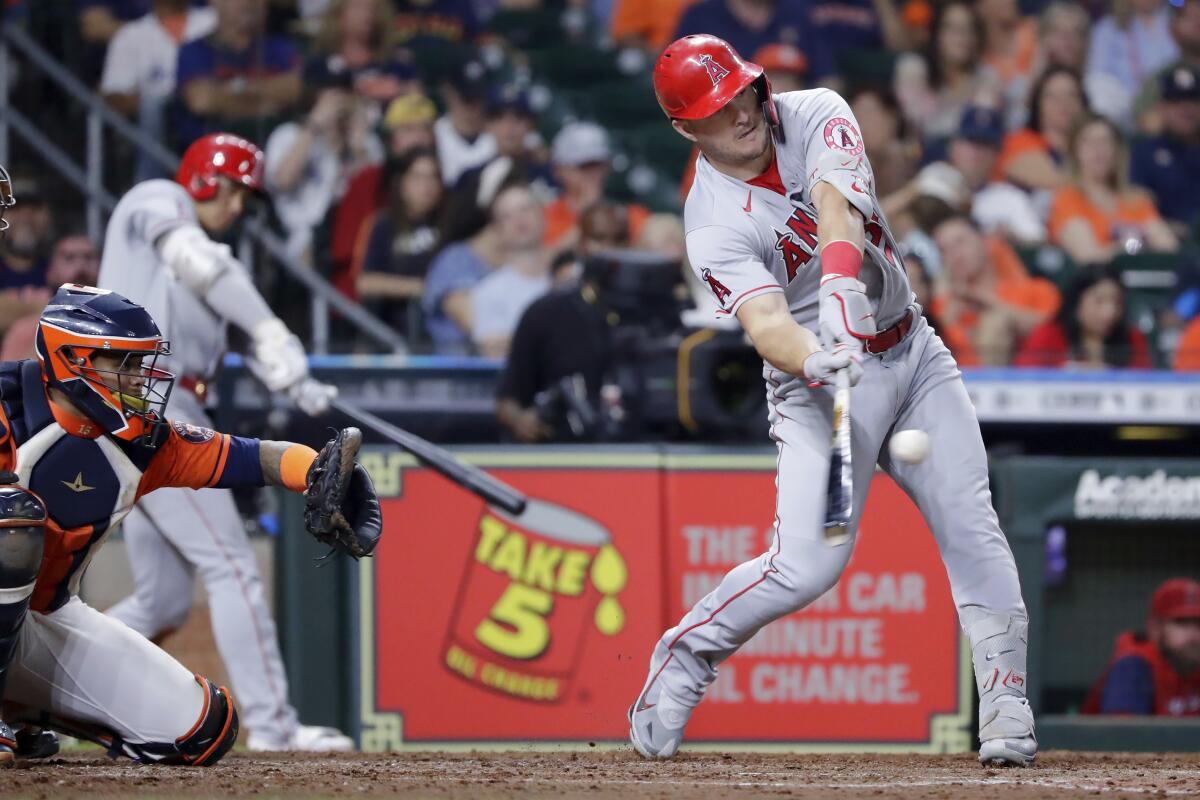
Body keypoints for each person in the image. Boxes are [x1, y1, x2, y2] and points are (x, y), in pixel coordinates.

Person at [630, 34, 1036, 766]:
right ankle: (686, 655)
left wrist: (844, 288)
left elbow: (836, 206)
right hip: (817, 387)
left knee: (973, 526)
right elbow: (765, 324)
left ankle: (1007, 706)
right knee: (807, 567)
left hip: (910, 351)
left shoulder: (815, 109)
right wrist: (816, 356)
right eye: (718, 108)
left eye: (743, 91)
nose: (742, 111)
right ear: (688, 128)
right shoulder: (711, 220)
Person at [0, 281, 381, 767]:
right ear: (73, 358)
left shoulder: (141, 442)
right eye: (125, 365)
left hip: (42, 618)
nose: (139, 380)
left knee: (201, 730)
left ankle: (24, 708)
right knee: (11, 516)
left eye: (141, 365)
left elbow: (245, 456)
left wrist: (315, 472)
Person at [95, 133, 352, 753]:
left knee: (163, 600)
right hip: (143, 407)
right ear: (204, 179)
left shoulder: (194, 283)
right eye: (232, 189)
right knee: (233, 565)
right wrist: (270, 330)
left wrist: (298, 382)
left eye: (245, 195)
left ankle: (32, 679)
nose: (237, 206)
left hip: (165, 404)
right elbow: (199, 262)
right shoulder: (155, 201)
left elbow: (210, 334)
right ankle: (276, 727)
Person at [263, 58, 384, 264]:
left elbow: (376, 195)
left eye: (343, 90)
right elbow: (281, 182)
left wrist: (358, 147)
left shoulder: (365, 141)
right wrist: (314, 126)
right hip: (299, 237)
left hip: (352, 236)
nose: (337, 98)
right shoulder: (289, 135)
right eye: (328, 90)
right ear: (311, 94)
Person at [329, 91, 438, 296]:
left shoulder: (442, 184)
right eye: (407, 130)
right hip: (370, 306)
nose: (418, 138)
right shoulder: (368, 181)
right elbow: (347, 260)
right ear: (391, 139)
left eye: (425, 129)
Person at [99, 0, 217, 182]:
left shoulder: (212, 20)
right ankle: (152, 188)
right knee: (152, 106)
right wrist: (168, 98)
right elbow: (114, 97)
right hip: (162, 125)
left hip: (207, 115)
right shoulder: (130, 35)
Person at [1047, 114, 1177, 265]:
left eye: (1105, 142)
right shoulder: (1067, 198)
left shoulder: (1136, 200)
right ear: (1074, 151)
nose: (1098, 150)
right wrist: (1132, 245)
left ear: (1117, 150)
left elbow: (1169, 247)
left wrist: (1122, 247)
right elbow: (1088, 255)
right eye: (1088, 142)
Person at [930, 214, 1059, 365]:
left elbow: (1049, 332)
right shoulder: (941, 306)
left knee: (994, 321)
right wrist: (950, 322)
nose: (955, 255)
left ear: (985, 242)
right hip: (965, 381)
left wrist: (991, 303)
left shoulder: (1038, 290)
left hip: (1034, 381)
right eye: (944, 250)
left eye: (960, 242)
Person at [174, 0, 302, 147]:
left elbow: (295, 89)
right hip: (213, 157)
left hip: (274, 157)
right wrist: (266, 105)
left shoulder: (281, 48)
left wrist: (228, 95)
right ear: (215, 3)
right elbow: (202, 100)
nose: (249, 3)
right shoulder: (195, 50)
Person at [355, 148, 445, 336]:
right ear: (402, 183)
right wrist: (419, 288)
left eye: (433, 178)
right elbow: (365, 282)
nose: (427, 186)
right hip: (395, 332)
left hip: (444, 328)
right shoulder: (383, 225)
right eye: (418, 178)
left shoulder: (451, 223)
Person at [1084, 578, 1200, 716]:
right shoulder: (1133, 666)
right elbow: (1122, 736)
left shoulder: (1192, 664)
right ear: (1155, 628)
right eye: (1182, 623)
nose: (1194, 636)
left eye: (1198, 624)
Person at [893, 0, 995, 144]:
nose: (962, 37)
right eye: (952, 28)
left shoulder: (986, 77)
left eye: (968, 29)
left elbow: (981, 130)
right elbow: (917, 125)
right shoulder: (913, 69)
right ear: (936, 33)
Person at [469, 183, 551, 359]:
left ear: (544, 217)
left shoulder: (570, 283)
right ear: (497, 231)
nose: (519, 219)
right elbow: (495, 353)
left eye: (526, 209)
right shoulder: (487, 292)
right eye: (506, 216)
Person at [1014, 264, 1151, 368]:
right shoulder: (1048, 335)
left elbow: (1145, 385)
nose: (1109, 312)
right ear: (1076, 304)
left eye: (1117, 303)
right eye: (1099, 302)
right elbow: (1026, 380)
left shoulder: (1133, 339)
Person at [543, 122, 650, 249]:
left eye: (598, 165)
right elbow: (537, 262)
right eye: (584, 166)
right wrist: (589, 217)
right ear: (559, 170)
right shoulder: (544, 217)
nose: (593, 173)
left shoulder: (631, 215)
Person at [0, 234, 101, 361]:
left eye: (89, 257)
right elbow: (10, 377)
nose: (80, 265)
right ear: (50, 271)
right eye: (69, 258)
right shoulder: (27, 329)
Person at [995, 65, 1090, 191]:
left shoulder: (1087, 149)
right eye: (1052, 96)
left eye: (1071, 95)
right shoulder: (1019, 141)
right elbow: (1053, 181)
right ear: (1038, 104)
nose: (1063, 102)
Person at [1130, 64, 1200, 230]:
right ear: (1161, 107)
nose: (1186, 109)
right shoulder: (1143, 153)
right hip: (1167, 245)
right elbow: (1137, 208)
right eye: (1176, 101)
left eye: (1194, 100)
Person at [1089, 0, 1179, 103]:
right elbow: (1099, 76)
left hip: (1175, 98)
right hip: (1125, 103)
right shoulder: (1108, 29)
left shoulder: (1178, 23)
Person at [434, 58, 496, 187]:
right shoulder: (432, 136)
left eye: (478, 97)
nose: (473, 106)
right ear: (447, 92)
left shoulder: (501, 136)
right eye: (466, 98)